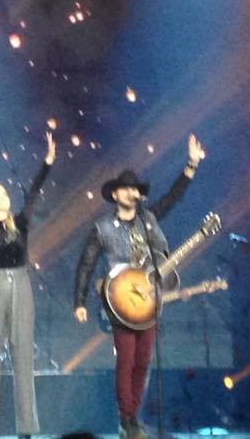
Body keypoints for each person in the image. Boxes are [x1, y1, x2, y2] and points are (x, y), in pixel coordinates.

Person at [73, 135, 206, 439]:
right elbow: (86, 264)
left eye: (136, 188)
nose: (132, 192)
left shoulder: (147, 219)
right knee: (127, 359)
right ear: (116, 194)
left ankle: (130, 418)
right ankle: (128, 418)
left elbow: (172, 198)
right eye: (127, 188)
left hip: (147, 298)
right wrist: (79, 301)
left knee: (144, 360)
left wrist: (191, 166)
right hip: (119, 298)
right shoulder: (103, 228)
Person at [0, 132, 56, 439]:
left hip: (20, 285)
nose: (3, 199)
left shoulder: (20, 223)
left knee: (22, 356)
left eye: (5, 195)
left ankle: (27, 429)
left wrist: (47, 162)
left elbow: (33, 193)